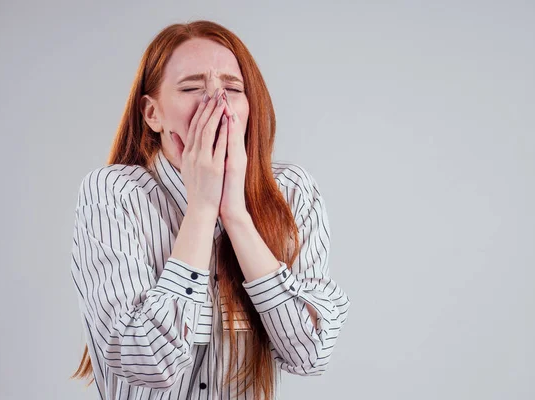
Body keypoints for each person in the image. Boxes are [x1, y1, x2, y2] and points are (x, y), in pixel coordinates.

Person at [69, 19, 351, 400]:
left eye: (232, 88)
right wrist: (201, 210)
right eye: (191, 88)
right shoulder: (114, 193)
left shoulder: (293, 191)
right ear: (153, 114)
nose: (217, 103)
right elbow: (146, 358)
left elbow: (310, 353)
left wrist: (236, 214)